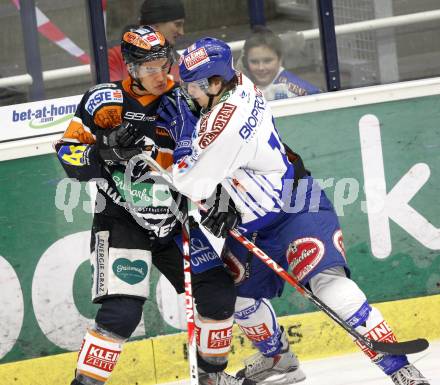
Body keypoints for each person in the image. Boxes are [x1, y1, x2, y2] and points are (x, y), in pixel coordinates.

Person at [157, 37, 430, 385]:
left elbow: (190, 183)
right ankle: (280, 360)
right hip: (254, 222)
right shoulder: (239, 85)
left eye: (193, 86)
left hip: (295, 208)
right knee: (238, 296)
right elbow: (225, 164)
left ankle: (402, 370)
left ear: (214, 83)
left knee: (329, 284)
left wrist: (183, 134)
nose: (188, 93)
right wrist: (222, 201)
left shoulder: (223, 124)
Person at [56, 27, 245, 385]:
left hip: (174, 222)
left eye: (165, 63)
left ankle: (212, 378)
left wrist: (217, 195)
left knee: (218, 293)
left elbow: (205, 157)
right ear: (129, 67)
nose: (161, 74)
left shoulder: (184, 99)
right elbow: (68, 154)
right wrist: (104, 150)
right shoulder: (104, 101)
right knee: (121, 313)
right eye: (149, 68)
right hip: (121, 221)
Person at [107, 0, 185, 82]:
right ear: (155, 25)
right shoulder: (116, 57)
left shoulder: (178, 62)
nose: (181, 32)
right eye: (177, 24)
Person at [240, 27, 320, 101]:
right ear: (246, 62)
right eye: (254, 62)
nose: (261, 67)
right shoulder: (240, 86)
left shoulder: (301, 92)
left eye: (267, 61)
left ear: (280, 59)